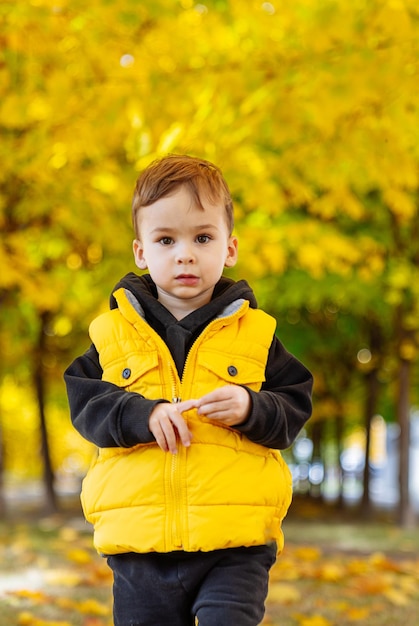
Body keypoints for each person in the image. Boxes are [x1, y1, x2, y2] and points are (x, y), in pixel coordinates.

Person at [64, 154, 313, 626]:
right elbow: (85, 403)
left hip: (234, 541)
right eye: (166, 240)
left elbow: (295, 403)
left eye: (202, 237)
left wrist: (250, 406)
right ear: (141, 252)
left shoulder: (256, 334)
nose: (185, 253)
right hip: (141, 544)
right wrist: (141, 414)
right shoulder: (113, 334)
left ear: (230, 247)